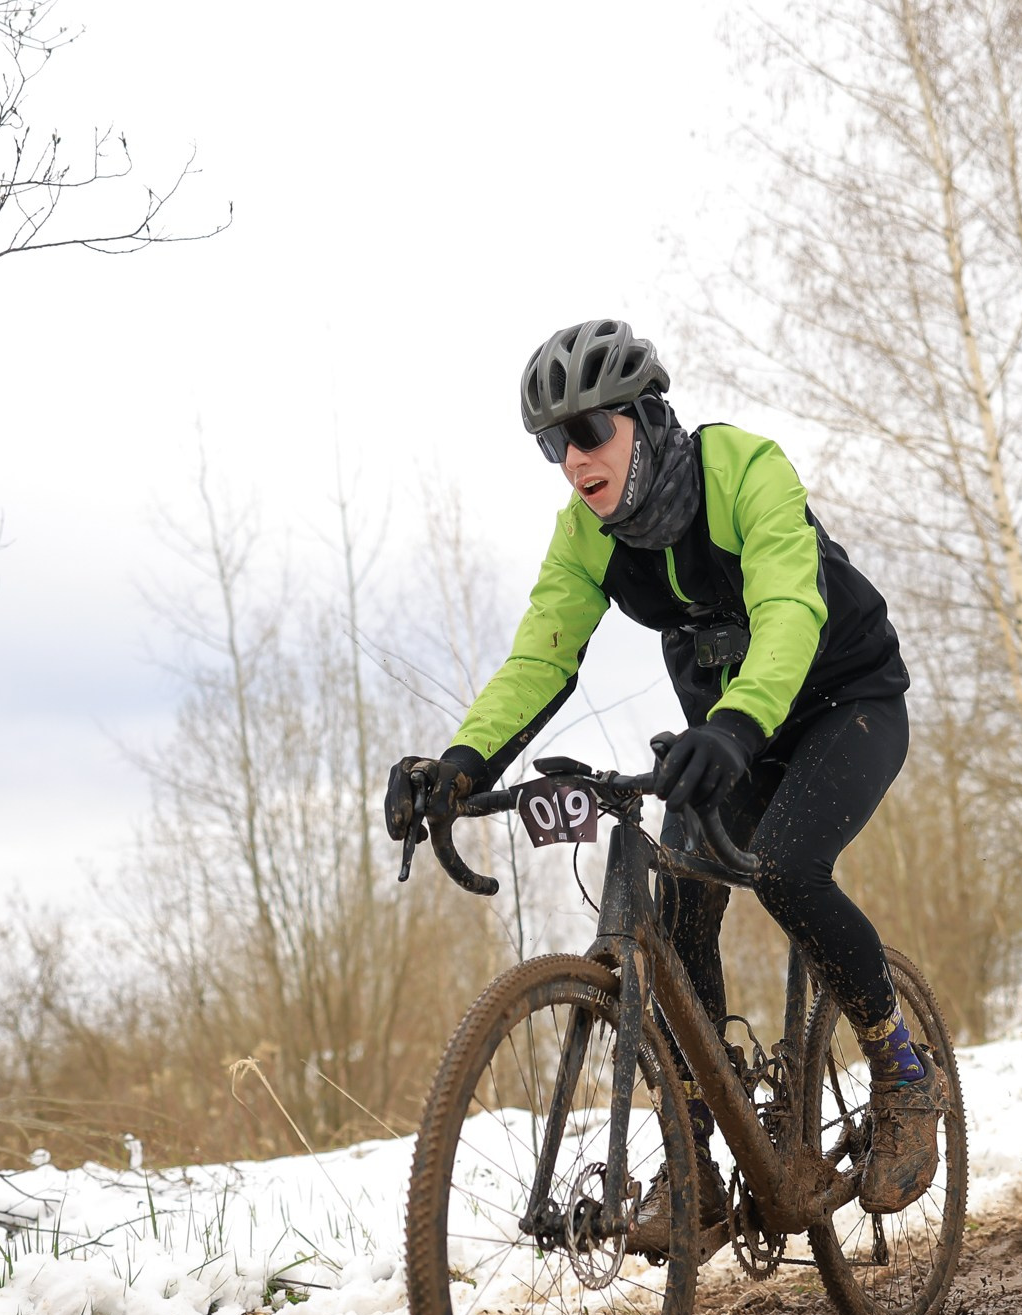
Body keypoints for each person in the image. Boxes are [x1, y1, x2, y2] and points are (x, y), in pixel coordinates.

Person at [386, 318, 935, 1227]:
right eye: (551, 444)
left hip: (846, 705)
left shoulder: (744, 471)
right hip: (729, 735)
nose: (572, 459)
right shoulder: (586, 533)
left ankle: (902, 1072)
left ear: (646, 416)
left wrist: (734, 724)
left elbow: (791, 611)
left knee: (788, 872)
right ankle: (698, 1168)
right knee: (676, 911)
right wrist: (461, 761)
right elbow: (541, 657)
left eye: (590, 432)